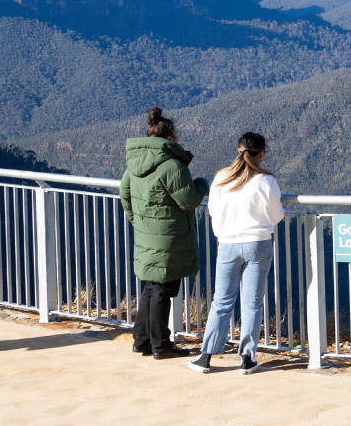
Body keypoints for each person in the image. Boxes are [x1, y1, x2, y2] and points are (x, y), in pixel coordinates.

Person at [188, 131, 283, 375]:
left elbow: (213, 211)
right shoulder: (266, 181)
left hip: (228, 244)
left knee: (222, 301)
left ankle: (206, 356)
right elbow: (277, 215)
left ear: (238, 149)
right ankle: (247, 358)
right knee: (252, 303)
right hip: (258, 244)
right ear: (261, 154)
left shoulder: (221, 178)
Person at [120, 107, 208, 360]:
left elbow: (124, 194)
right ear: (170, 139)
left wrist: (138, 221)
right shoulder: (172, 166)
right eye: (177, 135)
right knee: (164, 290)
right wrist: (202, 183)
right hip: (169, 237)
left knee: (152, 287)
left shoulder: (134, 165)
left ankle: (142, 340)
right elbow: (189, 200)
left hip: (147, 235)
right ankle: (161, 344)